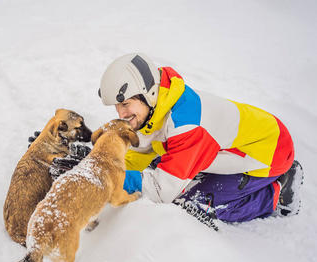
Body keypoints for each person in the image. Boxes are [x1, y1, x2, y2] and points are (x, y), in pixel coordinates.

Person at [97, 53, 304, 223]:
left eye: (125, 104)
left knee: (194, 203)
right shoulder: (156, 106)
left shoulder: (186, 126)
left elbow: (162, 191)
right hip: (238, 140)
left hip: (271, 150)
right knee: (162, 160)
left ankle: (275, 192)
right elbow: (140, 152)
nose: (120, 114)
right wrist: (103, 169)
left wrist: (113, 180)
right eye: (117, 106)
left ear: (147, 93)